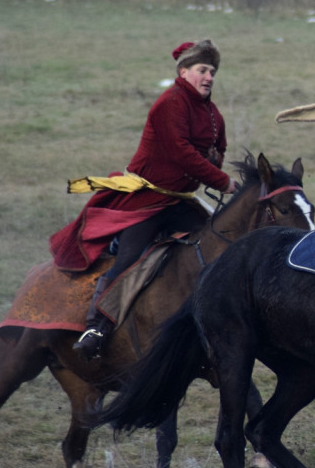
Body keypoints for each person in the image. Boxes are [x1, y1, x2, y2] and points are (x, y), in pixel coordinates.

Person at [49, 40, 238, 360]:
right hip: (145, 200)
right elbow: (181, 154)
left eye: (212, 72)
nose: (209, 77)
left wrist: (215, 161)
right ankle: (97, 328)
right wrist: (221, 181)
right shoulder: (171, 102)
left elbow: (217, 149)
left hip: (179, 200)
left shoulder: (212, 112)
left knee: (214, 245)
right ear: (184, 72)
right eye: (202, 70)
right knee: (128, 261)